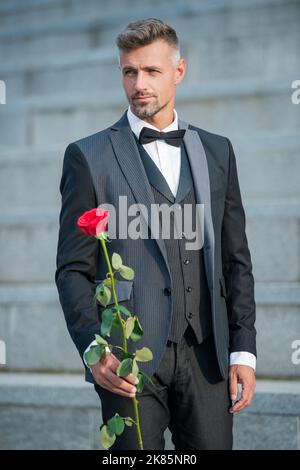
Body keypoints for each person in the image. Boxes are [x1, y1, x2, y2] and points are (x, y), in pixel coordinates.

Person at [55, 18, 256, 450]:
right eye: (129, 72)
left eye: (151, 71)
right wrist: (96, 350)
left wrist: (243, 351)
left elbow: (235, 259)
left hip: (208, 357)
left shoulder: (217, 150)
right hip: (127, 359)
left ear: (179, 71)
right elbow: (72, 269)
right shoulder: (87, 157)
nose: (139, 83)